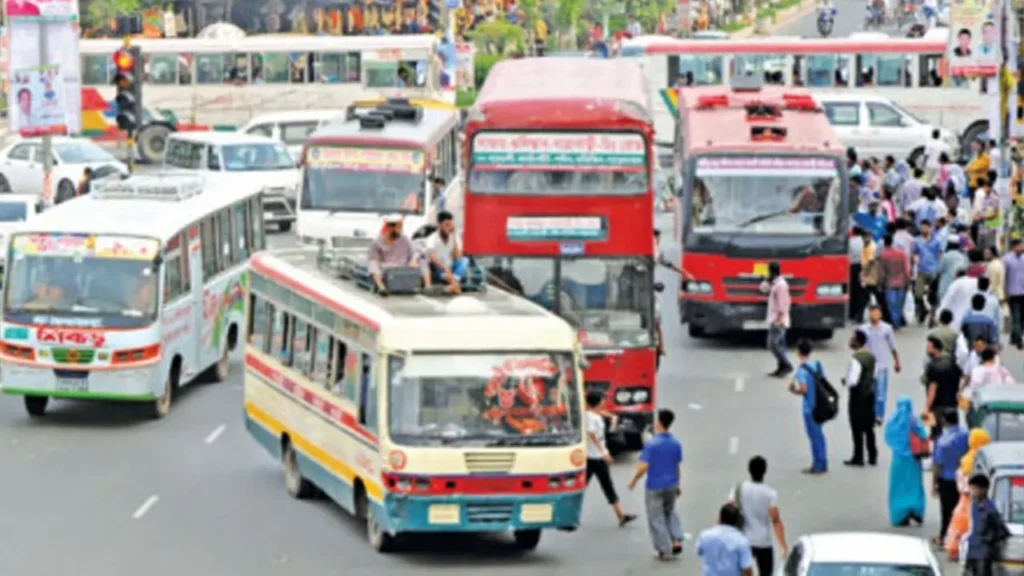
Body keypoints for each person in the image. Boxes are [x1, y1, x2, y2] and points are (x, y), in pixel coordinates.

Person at [628, 408, 684, 560]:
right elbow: (677, 465)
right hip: (672, 483)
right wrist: (678, 484)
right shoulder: (676, 443)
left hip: (654, 485)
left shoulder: (652, 443)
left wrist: (634, 480)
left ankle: (664, 549)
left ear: (659, 422)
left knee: (656, 517)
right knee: (670, 511)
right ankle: (677, 539)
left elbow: (644, 466)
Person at [584, 391, 637, 527]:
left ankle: (621, 516)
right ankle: (620, 515)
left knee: (605, 486)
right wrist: (603, 452)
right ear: (597, 402)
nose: (604, 402)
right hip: (593, 457)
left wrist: (612, 417)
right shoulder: (591, 418)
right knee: (593, 486)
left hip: (597, 456)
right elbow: (592, 434)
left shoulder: (593, 414)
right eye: (602, 400)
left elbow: (599, 413)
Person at [730, 456, 788, 576]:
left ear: (749, 470)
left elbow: (729, 510)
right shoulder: (770, 494)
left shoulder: (739, 489)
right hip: (763, 541)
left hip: (743, 539)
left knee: (742, 571)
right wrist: (783, 545)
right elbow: (775, 520)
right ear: (765, 471)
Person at [946, 429, 992, 559]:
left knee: (959, 525)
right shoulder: (980, 460)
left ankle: (954, 550)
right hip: (973, 499)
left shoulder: (965, 458)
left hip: (963, 499)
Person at [884, 395, 928, 527]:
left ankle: (899, 513)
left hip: (898, 460)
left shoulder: (893, 422)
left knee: (898, 486)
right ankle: (916, 509)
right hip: (913, 460)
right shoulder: (914, 421)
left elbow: (888, 437)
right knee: (914, 485)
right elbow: (923, 435)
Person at [788, 339, 828, 474]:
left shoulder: (801, 371)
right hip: (821, 404)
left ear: (799, 353)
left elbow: (804, 389)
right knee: (820, 434)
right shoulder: (816, 364)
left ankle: (817, 465)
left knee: (814, 436)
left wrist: (793, 390)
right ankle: (823, 461)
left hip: (809, 407)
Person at [367, 215, 431, 295]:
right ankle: (381, 287)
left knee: (422, 259)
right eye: (399, 227)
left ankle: (428, 287)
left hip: (404, 266)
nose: (401, 230)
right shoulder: (377, 242)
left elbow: (414, 252)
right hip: (387, 269)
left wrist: (413, 260)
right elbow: (373, 260)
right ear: (391, 228)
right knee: (373, 264)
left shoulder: (404, 238)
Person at [932, 409, 969, 547]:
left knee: (946, 509)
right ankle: (959, 535)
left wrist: (934, 484)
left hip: (947, 479)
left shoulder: (942, 441)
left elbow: (938, 465)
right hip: (963, 477)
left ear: (944, 421)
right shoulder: (966, 434)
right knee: (960, 508)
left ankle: (944, 536)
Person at [843, 329, 878, 466]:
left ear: (857, 341)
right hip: (869, 394)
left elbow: (853, 380)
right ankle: (872, 455)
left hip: (858, 395)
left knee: (856, 426)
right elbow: (874, 375)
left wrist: (845, 382)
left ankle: (858, 456)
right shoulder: (871, 356)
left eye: (852, 338)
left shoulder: (856, 358)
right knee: (869, 426)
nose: (850, 340)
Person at [964, 473, 1011, 575]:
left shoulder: (990, 510)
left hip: (983, 555)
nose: (971, 492)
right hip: (972, 551)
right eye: (971, 488)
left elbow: (1002, 532)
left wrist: (989, 542)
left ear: (983, 490)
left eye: (974, 489)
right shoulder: (974, 505)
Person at [861, 304, 901, 421]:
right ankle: (869, 413)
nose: (875, 315)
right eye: (872, 312)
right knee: (868, 392)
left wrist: (897, 361)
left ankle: (879, 415)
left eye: (877, 313)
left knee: (881, 393)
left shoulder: (886, 328)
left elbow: (892, 346)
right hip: (867, 366)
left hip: (881, 366)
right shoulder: (863, 329)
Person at [696, 503, 755, 576]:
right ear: (737, 521)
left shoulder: (705, 535)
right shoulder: (741, 540)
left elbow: (699, 551)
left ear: (720, 517)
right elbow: (746, 568)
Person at [922, 336, 962, 435]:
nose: (927, 350)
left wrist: (926, 407)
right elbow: (960, 379)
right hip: (952, 405)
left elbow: (932, 388)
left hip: (936, 407)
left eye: (929, 347)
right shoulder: (952, 363)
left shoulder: (932, 366)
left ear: (936, 348)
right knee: (954, 433)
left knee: (936, 435)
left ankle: (938, 450)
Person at [425, 211, 467, 294]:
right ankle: (454, 285)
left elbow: (458, 257)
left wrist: (454, 235)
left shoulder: (454, 236)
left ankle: (453, 284)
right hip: (439, 268)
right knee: (438, 266)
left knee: (465, 260)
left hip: (451, 267)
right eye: (446, 225)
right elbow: (432, 256)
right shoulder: (432, 238)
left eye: (450, 224)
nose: (449, 227)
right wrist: (445, 268)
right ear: (439, 224)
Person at [912, 220, 943, 324]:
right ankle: (923, 309)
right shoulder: (916, 240)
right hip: (921, 270)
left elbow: (940, 254)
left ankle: (933, 316)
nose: (924, 229)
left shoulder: (937, 240)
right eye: (922, 227)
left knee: (933, 295)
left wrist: (940, 267)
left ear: (930, 228)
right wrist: (915, 259)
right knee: (918, 293)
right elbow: (914, 253)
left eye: (926, 227)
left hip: (934, 270)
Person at [765, 262, 792, 378]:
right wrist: (767, 281)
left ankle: (787, 365)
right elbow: (763, 288)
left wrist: (779, 319)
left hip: (779, 320)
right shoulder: (776, 283)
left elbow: (783, 304)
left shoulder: (781, 285)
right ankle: (780, 368)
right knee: (780, 345)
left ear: (772, 272)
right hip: (775, 319)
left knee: (772, 344)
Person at [878, 234, 911, 328]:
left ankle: (895, 323)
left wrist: (879, 283)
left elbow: (881, 272)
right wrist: (908, 281)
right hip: (902, 283)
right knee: (899, 305)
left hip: (889, 283)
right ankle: (897, 322)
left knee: (892, 305)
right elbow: (906, 269)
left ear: (884, 244)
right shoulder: (901, 254)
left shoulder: (884, 255)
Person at [1004, 238, 1024, 348]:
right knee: (1016, 316)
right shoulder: (1007, 260)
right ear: (1013, 247)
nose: (1022, 248)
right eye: (1020, 246)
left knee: (1021, 317)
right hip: (1013, 292)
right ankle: (1020, 338)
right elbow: (1004, 276)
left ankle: (1014, 337)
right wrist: (1004, 293)